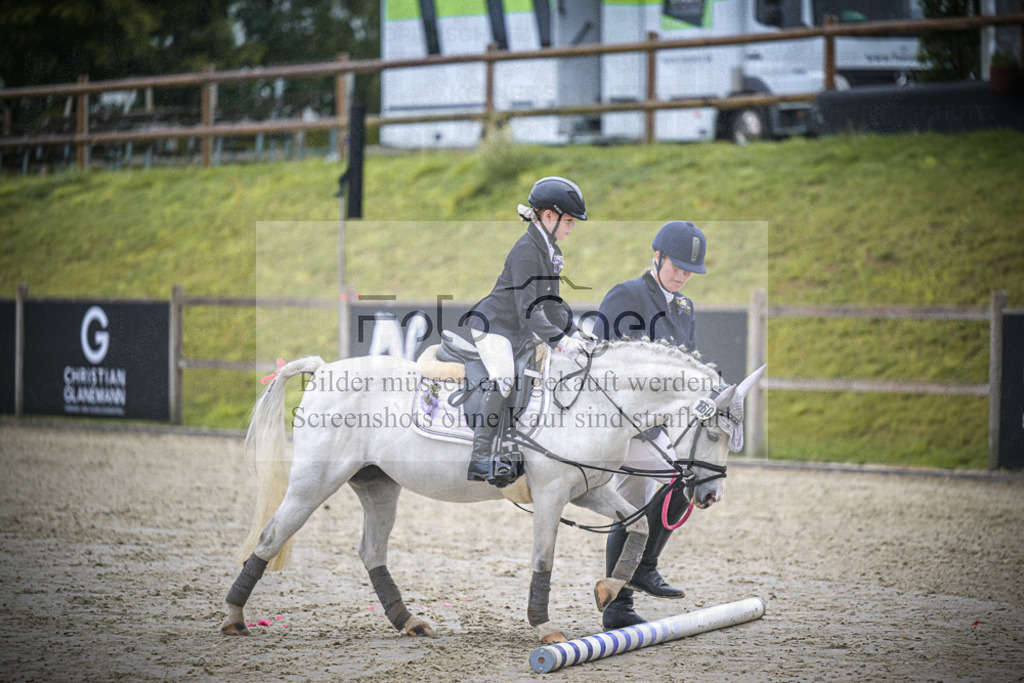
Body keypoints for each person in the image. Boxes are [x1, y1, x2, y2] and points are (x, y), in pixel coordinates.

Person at [596, 220, 707, 629]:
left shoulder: (684, 308)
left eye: (689, 270)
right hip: (624, 426)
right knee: (657, 492)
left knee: (654, 496)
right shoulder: (627, 295)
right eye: (676, 265)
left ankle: (623, 597)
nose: (682, 275)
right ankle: (637, 577)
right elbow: (604, 359)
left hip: (660, 428)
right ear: (657, 256)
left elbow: (688, 368)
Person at [465, 176, 592, 487]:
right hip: (493, 326)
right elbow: (528, 309)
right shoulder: (526, 251)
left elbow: (552, 305)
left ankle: (512, 448)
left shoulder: (549, 247)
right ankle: (480, 455)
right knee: (504, 375)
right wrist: (560, 341)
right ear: (548, 216)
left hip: (516, 331)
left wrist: (576, 333)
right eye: (570, 221)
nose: (572, 227)